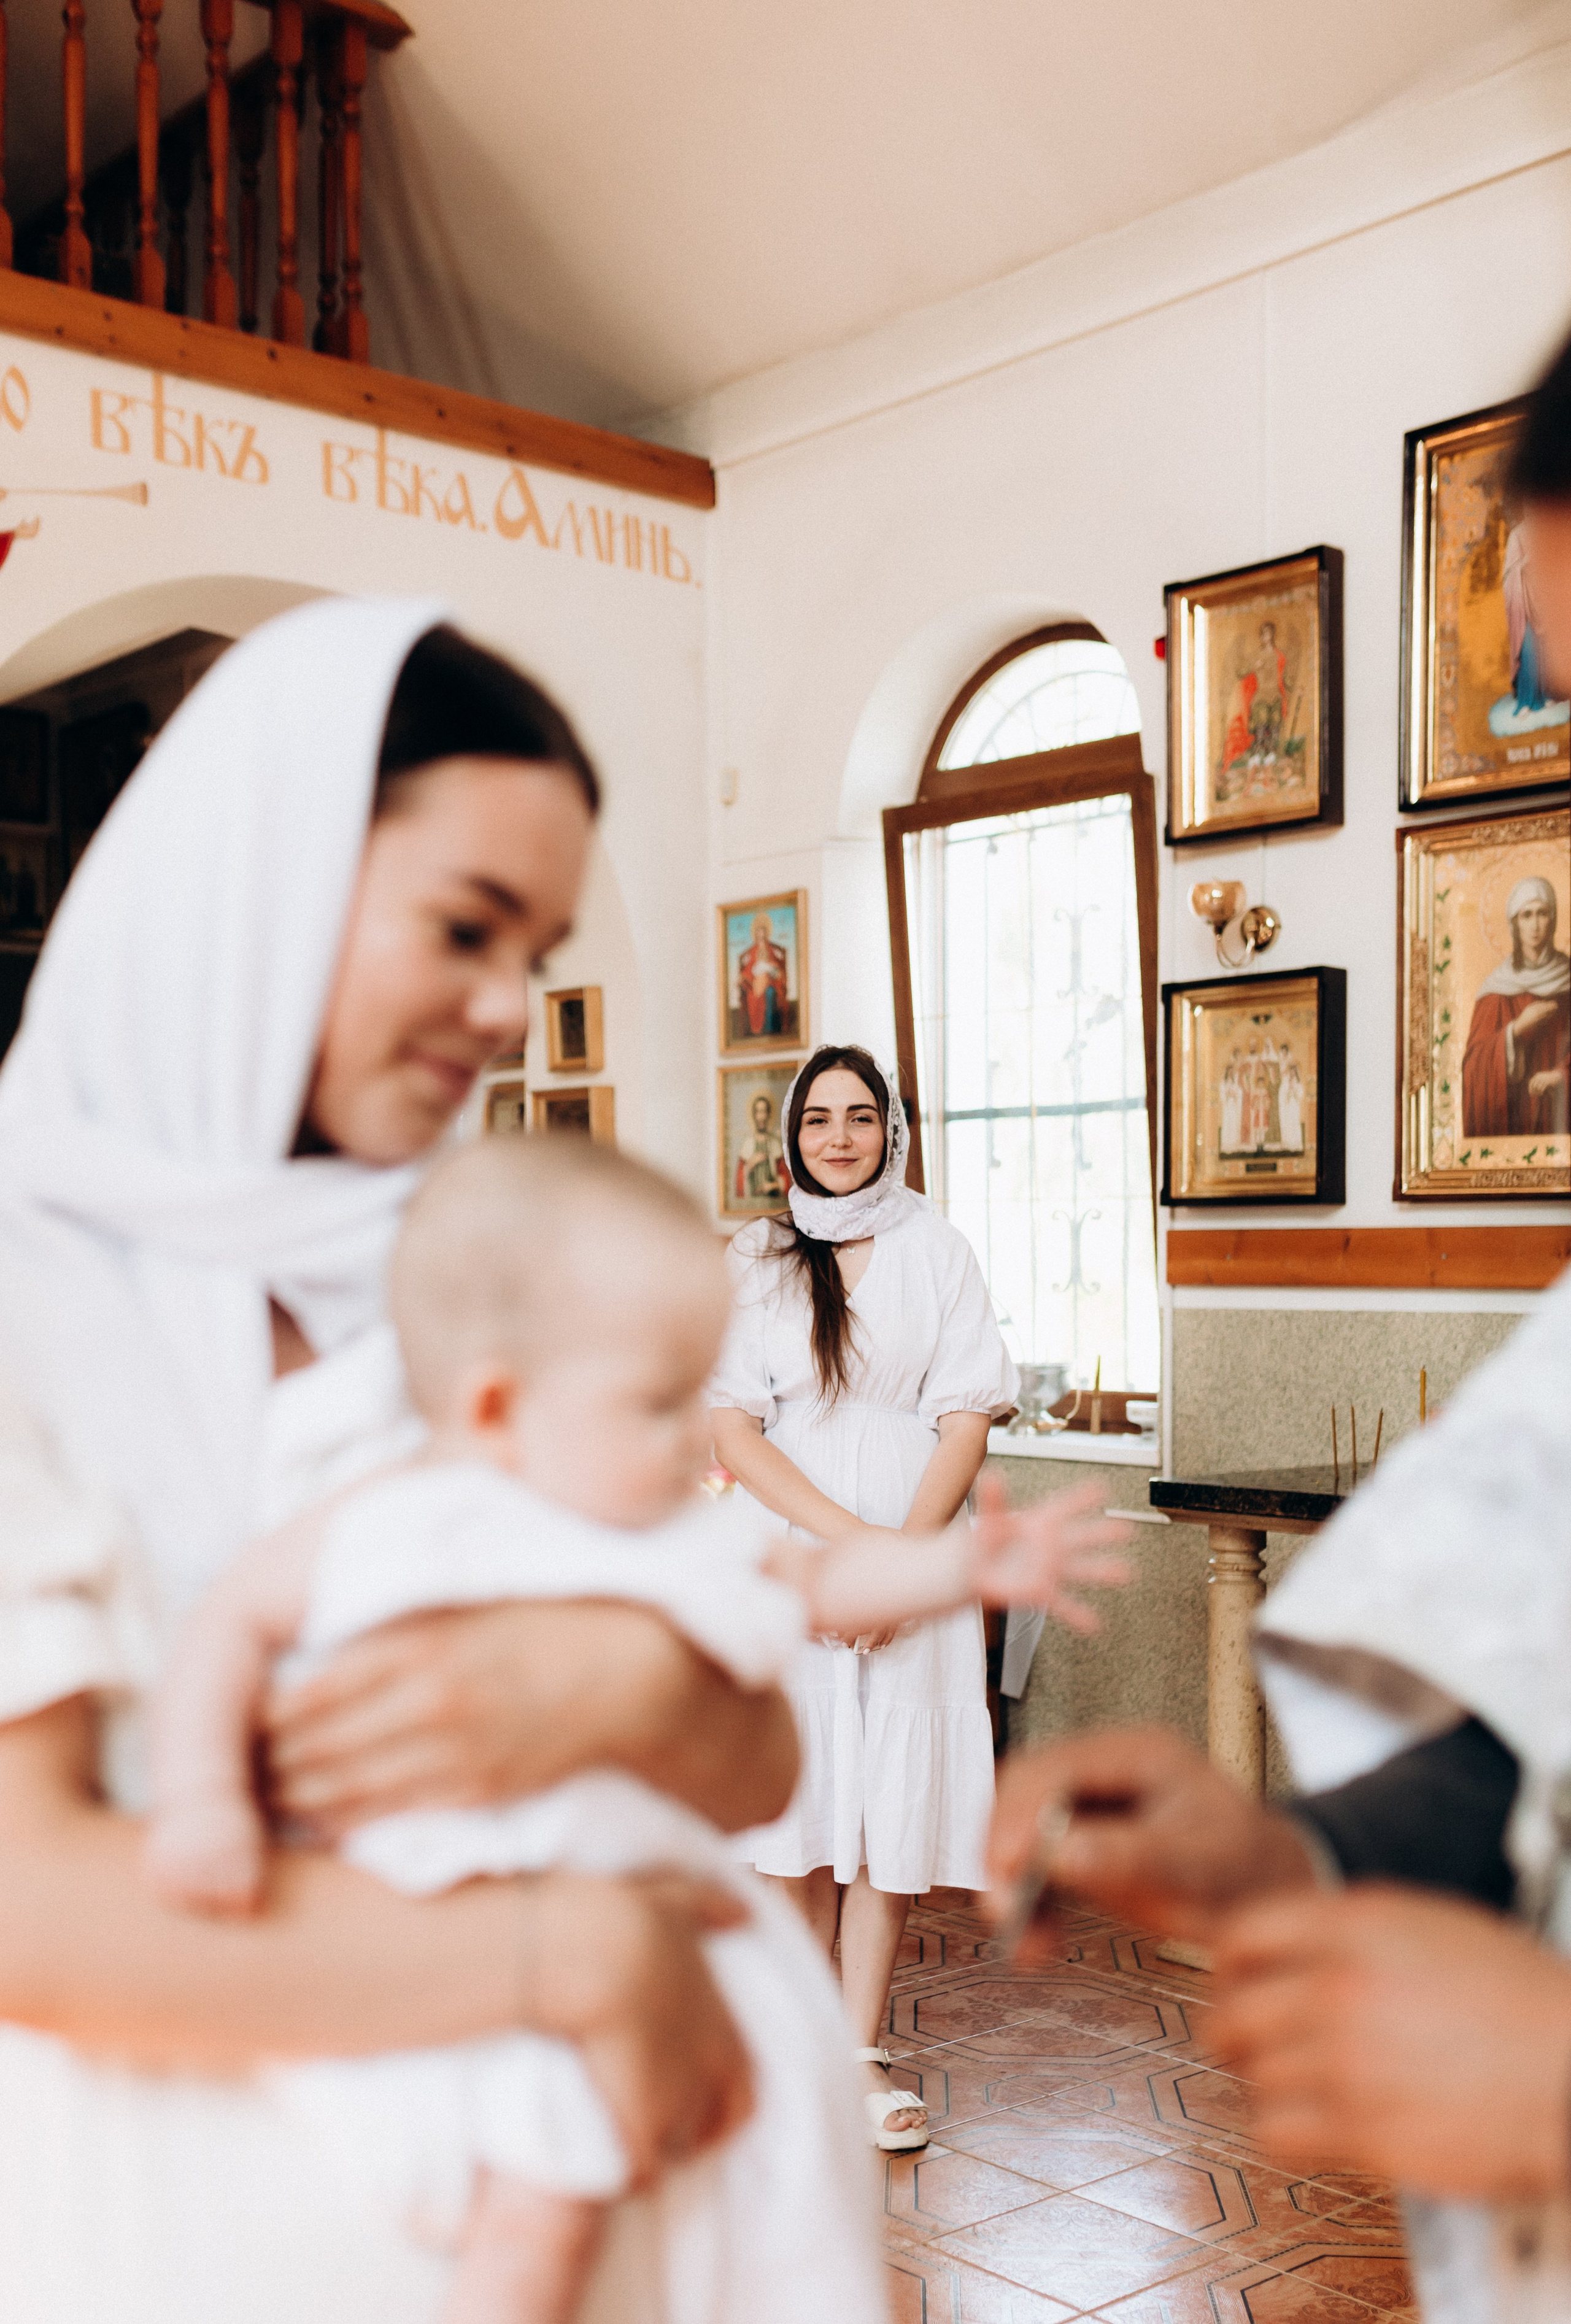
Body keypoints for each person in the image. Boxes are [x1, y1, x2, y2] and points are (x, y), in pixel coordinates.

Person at [0, 600, 797, 2324]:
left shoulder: (460, 1274)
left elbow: (755, 1759)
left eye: (543, 947)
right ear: (255, 887)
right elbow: (27, 1906)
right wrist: (571, 1953)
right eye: (464, 927)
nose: (513, 1008)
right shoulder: (19, 1277)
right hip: (198, 2231)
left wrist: (609, 1682)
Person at [147, 1132, 1127, 2324]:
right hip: (444, 1933)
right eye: (658, 1401)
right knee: (541, 2206)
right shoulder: (389, 1516)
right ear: (501, 1403)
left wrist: (957, 1568)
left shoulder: (660, 1531)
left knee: (732, 2193)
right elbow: (227, 1627)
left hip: (634, 1922)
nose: (691, 1438)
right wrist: (200, 1796)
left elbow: (811, 1586)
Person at [709, 1043, 1125, 2153]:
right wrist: (860, 1553)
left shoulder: (937, 1247)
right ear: (788, 1137)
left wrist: (911, 1557)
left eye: (860, 1117)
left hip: (916, 1531)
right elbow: (731, 1427)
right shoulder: (754, 1254)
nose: (838, 1137)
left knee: (886, 1799)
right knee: (797, 1805)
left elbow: (967, 1416)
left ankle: (855, 2052)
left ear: (892, 1131)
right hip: (794, 1546)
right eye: (817, 1120)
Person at [1460, 875, 1570, 1138]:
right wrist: (1517, 1029)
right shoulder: (1496, 989)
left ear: (1553, 920)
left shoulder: (1568, 978)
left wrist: (1562, 1075)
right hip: (1513, 1122)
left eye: (1542, 914)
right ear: (1514, 924)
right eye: (1526, 915)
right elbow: (1473, 1068)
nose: (1535, 925)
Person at [735, 913, 789, 1039]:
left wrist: (773, 971)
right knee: (756, 996)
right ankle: (758, 1029)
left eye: (764, 931)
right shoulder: (752, 951)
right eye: (759, 932)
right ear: (756, 933)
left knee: (770, 992)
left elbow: (776, 967)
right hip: (756, 986)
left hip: (771, 982)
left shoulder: (771, 949)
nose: (762, 935)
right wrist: (745, 977)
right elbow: (749, 970)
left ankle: (770, 1027)